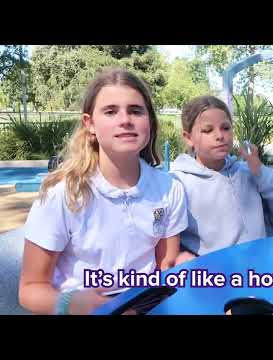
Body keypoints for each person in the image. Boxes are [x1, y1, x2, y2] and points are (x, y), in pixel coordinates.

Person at [18, 68, 188, 315]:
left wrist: (181, 267)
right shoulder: (63, 194)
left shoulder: (169, 189)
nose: (125, 120)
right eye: (110, 111)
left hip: (145, 301)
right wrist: (70, 304)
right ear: (90, 124)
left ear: (149, 121)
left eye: (135, 110)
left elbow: (165, 268)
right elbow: (30, 288)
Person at [170, 95, 273, 263]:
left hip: (260, 270)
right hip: (215, 278)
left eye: (225, 128)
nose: (220, 136)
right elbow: (170, 243)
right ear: (188, 138)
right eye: (208, 130)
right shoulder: (178, 184)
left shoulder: (249, 173)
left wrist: (260, 172)